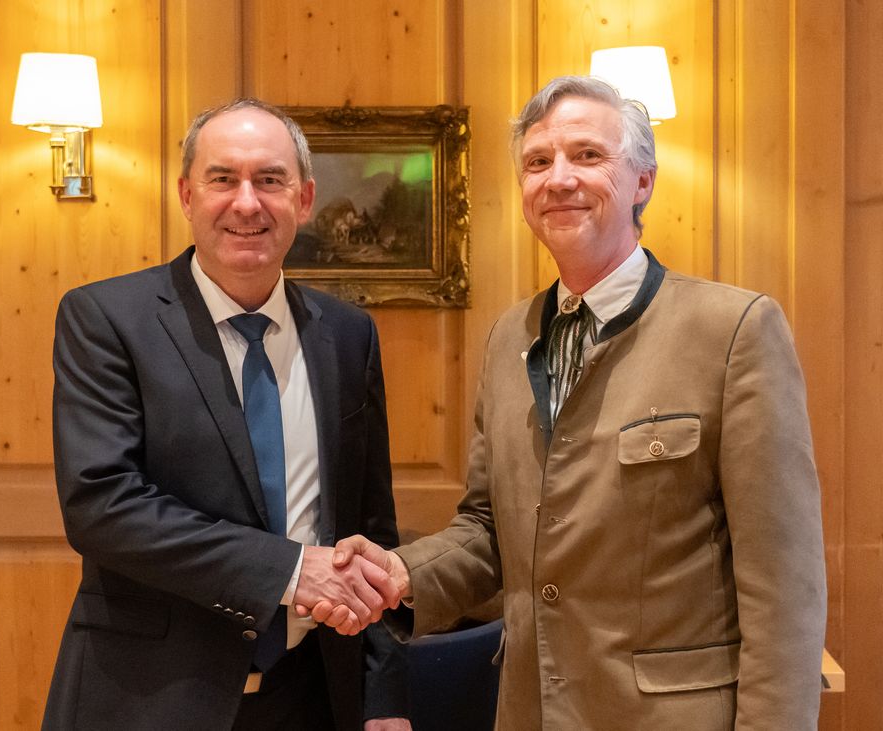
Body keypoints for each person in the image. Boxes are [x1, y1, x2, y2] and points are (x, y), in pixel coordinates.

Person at [315, 76, 827, 729]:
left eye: (587, 155)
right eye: (538, 161)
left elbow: (783, 587)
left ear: (643, 180)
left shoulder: (733, 331)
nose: (558, 178)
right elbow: (489, 530)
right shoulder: (510, 337)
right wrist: (398, 570)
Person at [43, 98, 410, 730]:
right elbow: (102, 506)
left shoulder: (349, 335)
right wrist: (290, 572)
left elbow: (370, 524)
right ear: (187, 195)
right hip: (150, 698)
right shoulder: (106, 319)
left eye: (270, 179)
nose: (247, 203)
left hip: (312, 697)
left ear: (304, 199)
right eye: (223, 179)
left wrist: (384, 699)